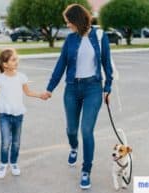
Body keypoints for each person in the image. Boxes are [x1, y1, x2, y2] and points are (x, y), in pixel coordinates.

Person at [42, 4, 113, 189]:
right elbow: (61, 65)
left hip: (93, 89)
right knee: (72, 130)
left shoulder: (99, 36)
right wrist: (50, 88)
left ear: (77, 20)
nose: (67, 26)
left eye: (68, 22)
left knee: (86, 130)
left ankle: (86, 170)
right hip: (72, 88)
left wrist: (108, 87)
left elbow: (107, 63)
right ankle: (74, 147)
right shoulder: (70, 40)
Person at [0, 48, 45, 179]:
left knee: (16, 141)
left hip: (18, 114)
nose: (17, 61)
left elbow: (28, 92)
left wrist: (40, 95)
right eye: (13, 59)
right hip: (4, 114)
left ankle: (14, 163)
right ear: (5, 64)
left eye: (17, 59)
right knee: (6, 141)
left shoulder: (21, 77)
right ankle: (3, 164)